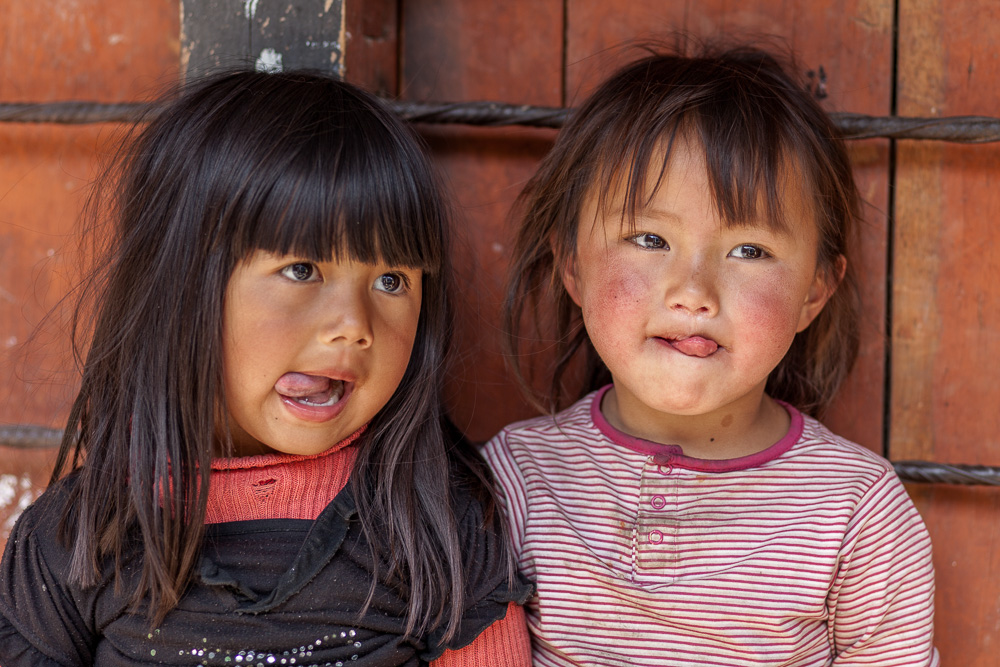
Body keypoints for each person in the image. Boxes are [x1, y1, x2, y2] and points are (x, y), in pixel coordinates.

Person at [0, 69, 532, 666]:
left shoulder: (432, 524)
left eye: (391, 280)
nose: (354, 324)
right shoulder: (81, 536)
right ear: (178, 286)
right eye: (302, 270)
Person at [483, 45, 939, 666]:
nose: (693, 292)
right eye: (649, 238)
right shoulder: (514, 482)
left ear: (814, 291)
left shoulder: (856, 511)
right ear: (573, 266)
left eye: (749, 250)